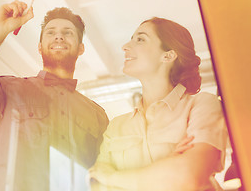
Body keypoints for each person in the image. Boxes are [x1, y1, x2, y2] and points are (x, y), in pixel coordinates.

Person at [0, 0, 109, 191]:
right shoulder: (8, 88)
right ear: (39, 47)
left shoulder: (98, 115)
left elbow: (102, 180)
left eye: (68, 33)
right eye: (51, 32)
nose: (59, 37)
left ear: (81, 48)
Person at [88, 17, 228, 191]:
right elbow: (95, 184)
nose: (125, 46)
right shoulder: (116, 127)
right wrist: (168, 167)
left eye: (140, 39)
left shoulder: (203, 104)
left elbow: (188, 176)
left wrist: (112, 177)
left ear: (168, 55)